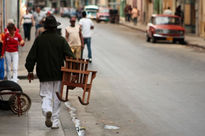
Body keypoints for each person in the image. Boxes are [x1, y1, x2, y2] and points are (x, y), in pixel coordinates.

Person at [25, 15, 75, 129]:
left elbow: (31, 57)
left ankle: (47, 110)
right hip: (58, 73)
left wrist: (29, 70)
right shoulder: (61, 40)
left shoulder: (39, 40)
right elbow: (70, 56)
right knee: (57, 97)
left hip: (44, 73)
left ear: (46, 27)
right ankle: (55, 122)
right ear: (55, 27)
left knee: (45, 95)